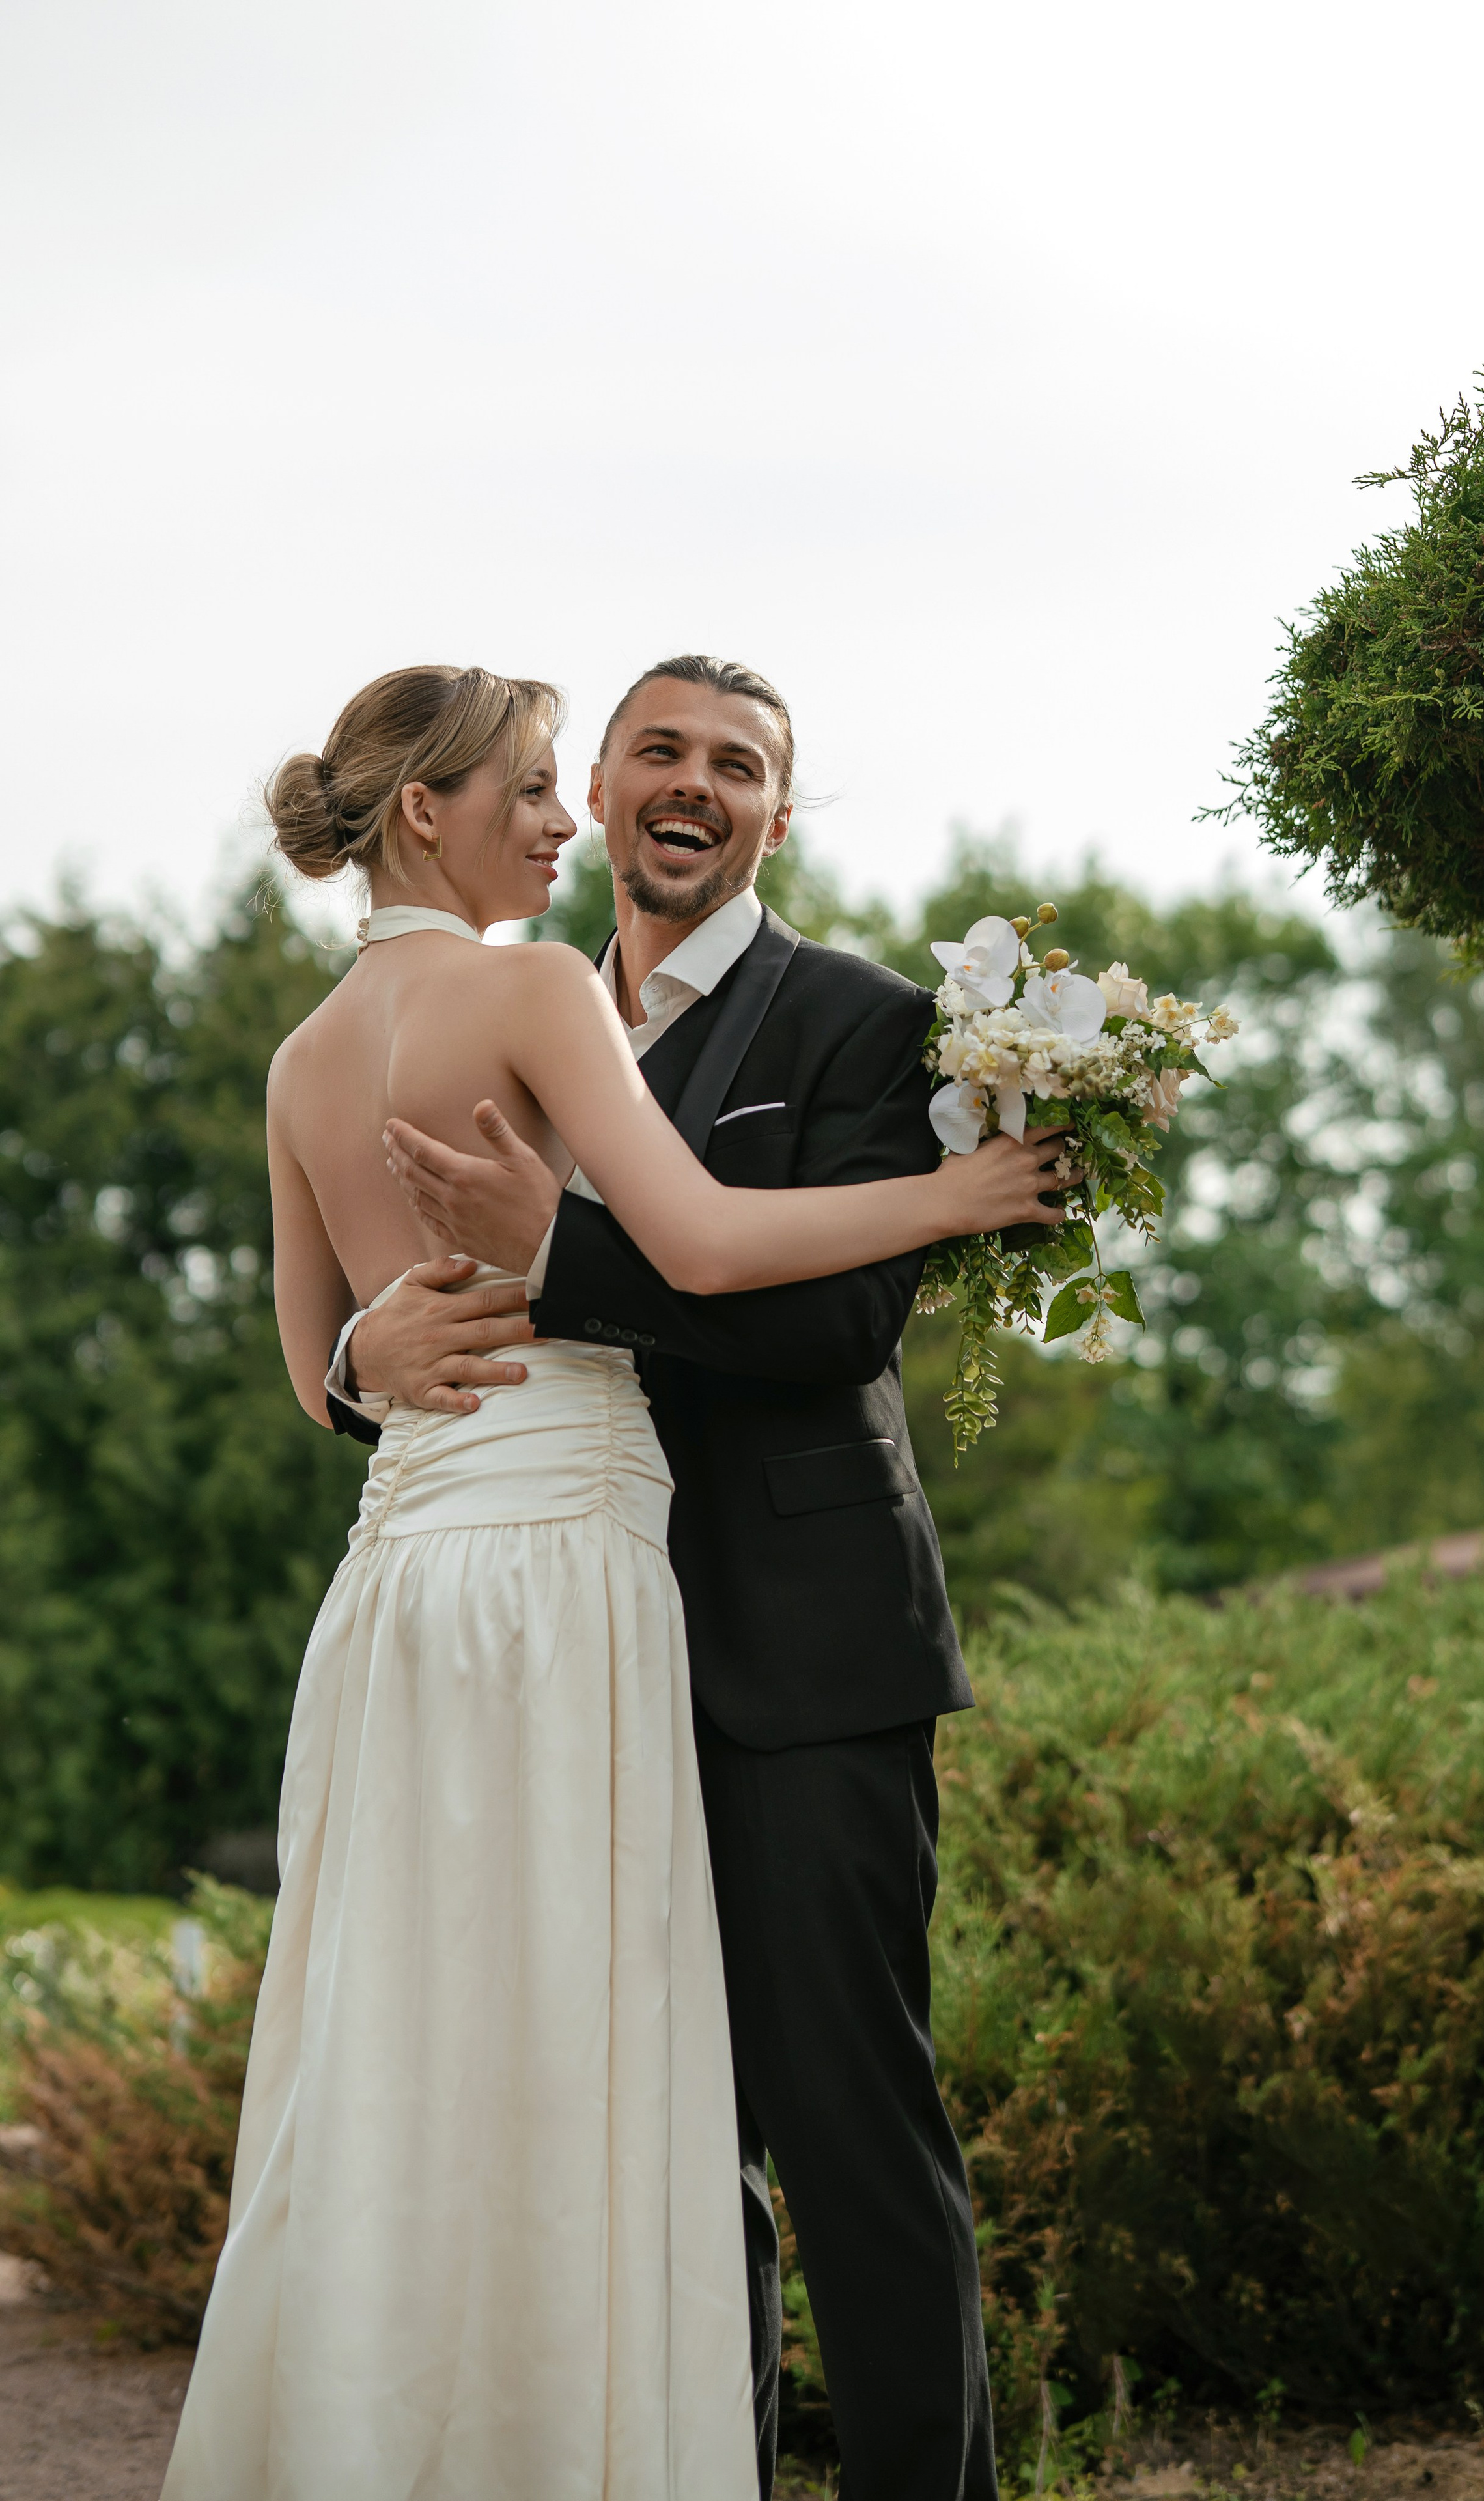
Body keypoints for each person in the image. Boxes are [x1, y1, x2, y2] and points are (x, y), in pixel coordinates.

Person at [160, 661, 1058, 2501]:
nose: (618, 804)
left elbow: (817, 1323)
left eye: (734, 768)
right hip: (566, 1608)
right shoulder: (541, 986)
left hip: (731, 1647)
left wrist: (409, 1333)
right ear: (445, 806)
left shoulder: (853, 1022)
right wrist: (972, 1197)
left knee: (718, 2114)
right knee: (588, 2106)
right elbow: (691, 1246)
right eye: (612, 764)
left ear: (776, 820)